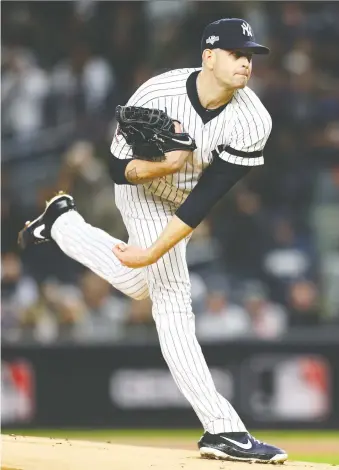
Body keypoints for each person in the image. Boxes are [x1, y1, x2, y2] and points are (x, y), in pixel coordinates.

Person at [18, 18, 287, 463]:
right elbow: (115, 169)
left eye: (251, 56)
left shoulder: (253, 119)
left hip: (184, 200)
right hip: (141, 190)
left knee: (142, 281)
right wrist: (163, 165)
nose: (246, 63)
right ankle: (222, 429)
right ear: (208, 56)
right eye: (237, 54)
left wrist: (153, 250)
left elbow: (204, 199)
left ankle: (62, 223)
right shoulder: (157, 94)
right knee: (173, 300)